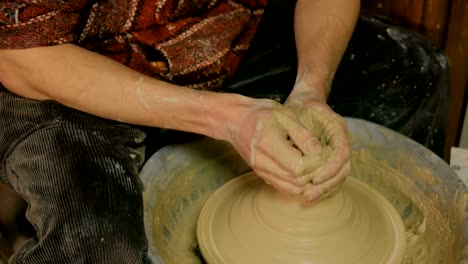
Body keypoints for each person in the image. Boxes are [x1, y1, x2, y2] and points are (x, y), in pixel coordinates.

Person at [0, 0, 448, 262]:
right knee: (97, 241)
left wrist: (312, 87)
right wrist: (227, 119)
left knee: (412, 72)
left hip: (219, 29)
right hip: (69, 67)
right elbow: (21, 59)